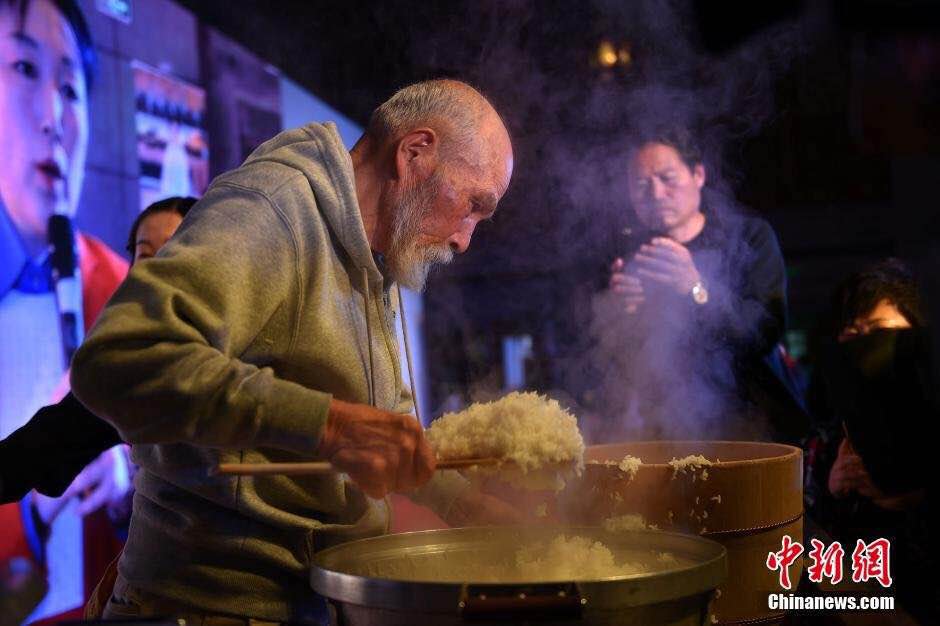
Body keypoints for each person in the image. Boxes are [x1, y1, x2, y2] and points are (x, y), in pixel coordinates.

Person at [69, 79, 516, 623]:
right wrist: (331, 426)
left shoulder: (378, 257)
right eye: (474, 204)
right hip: (207, 607)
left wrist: (465, 503)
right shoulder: (273, 208)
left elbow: (380, 426)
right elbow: (118, 358)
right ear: (414, 153)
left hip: (310, 603)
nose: (466, 238)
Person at [0, 0, 129, 620]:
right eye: (24, 69)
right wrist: (34, 504)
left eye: (71, 89)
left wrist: (123, 474)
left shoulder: (123, 286)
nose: (53, 116)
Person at [593, 124, 806, 443]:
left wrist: (695, 288)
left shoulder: (747, 238)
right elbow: (616, 363)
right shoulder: (629, 257)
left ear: (698, 175)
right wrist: (623, 313)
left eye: (667, 178)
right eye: (641, 184)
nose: (656, 193)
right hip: (667, 433)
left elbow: (765, 331)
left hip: (753, 429)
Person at [0, 197, 196, 507]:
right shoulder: (132, 373)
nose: (159, 271)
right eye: (146, 256)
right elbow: (35, 451)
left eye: (174, 252)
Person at [804, 258, 932, 623]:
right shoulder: (827, 434)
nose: (865, 348)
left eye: (880, 330)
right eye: (853, 334)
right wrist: (833, 489)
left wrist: (910, 501)